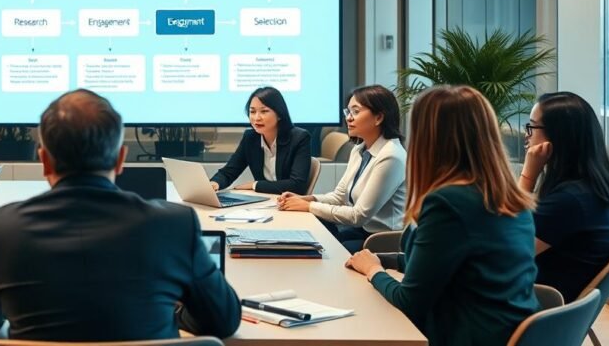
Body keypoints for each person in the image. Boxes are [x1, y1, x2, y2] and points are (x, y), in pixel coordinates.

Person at [0, 89, 241, 341]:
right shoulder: (175, 225)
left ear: (44, 160)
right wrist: (169, 314)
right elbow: (222, 321)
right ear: (120, 159)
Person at [346, 85, 538, 346]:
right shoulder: (509, 197)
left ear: (429, 138)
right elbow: (445, 263)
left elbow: (409, 302)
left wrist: (373, 270)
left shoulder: (447, 203)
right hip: (506, 331)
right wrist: (382, 259)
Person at [518, 91, 609, 301]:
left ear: (558, 136)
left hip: (535, 306)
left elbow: (506, 250)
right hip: (557, 305)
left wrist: (528, 175)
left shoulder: (571, 201)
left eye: (532, 126)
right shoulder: (597, 186)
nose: (526, 135)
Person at [278, 85, 407, 253]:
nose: (349, 118)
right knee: (317, 233)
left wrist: (308, 206)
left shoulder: (391, 156)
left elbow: (358, 216)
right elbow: (339, 196)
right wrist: (306, 199)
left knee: (328, 249)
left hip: (383, 239)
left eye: (356, 112)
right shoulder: (359, 149)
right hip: (362, 230)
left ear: (379, 118)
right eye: (348, 112)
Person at [209, 86, 311, 194]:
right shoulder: (250, 138)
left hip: (288, 201)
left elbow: (297, 185)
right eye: (252, 112)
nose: (257, 118)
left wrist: (255, 185)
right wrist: (215, 183)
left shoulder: (299, 138)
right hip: (264, 201)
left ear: (279, 114)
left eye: (264, 111)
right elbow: (229, 172)